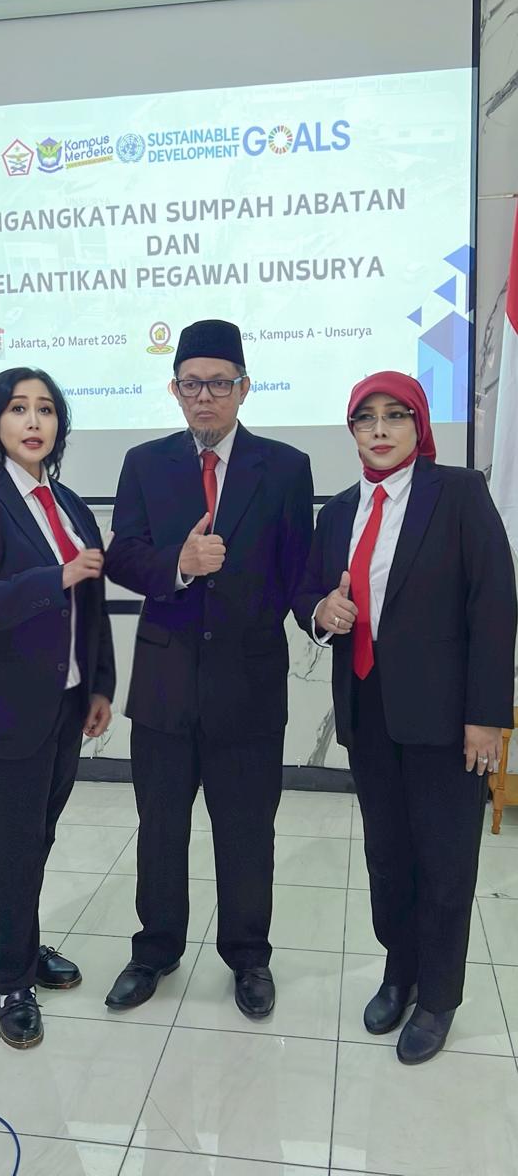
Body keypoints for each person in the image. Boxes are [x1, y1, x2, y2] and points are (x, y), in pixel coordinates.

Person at [293, 371, 516, 1064]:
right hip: (367, 714)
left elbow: (493, 602)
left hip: (447, 721)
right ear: (352, 431)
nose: (381, 429)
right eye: (366, 418)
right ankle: (400, 971)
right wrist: (321, 611)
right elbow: (308, 592)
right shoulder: (337, 511)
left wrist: (486, 716)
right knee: (387, 856)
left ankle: (438, 997)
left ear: (419, 425)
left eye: (396, 415)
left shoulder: (458, 493)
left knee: (445, 859)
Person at [104, 319, 313, 1017]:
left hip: (248, 684)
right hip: (165, 684)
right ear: (174, 390)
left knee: (247, 831)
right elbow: (123, 556)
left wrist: (320, 611)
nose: (204, 397)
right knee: (161, 827)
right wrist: (179, 564)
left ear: (243, 388)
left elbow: (296, 570)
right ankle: (155, 949)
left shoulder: (285, 468)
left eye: (219, 384)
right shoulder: (144, 463)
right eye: (191, 384)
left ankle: (248, 958)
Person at [0, 368, 115, 1049]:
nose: (34, 421)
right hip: (2, 715)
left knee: (36, 841)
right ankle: (11, 979)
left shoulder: (68, 505)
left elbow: (90, 601)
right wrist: (49, 578)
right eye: (17, 408)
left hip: (64, 706)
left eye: (46, 409)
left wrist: (100, 684)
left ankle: (26, 949)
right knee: (8, 853)